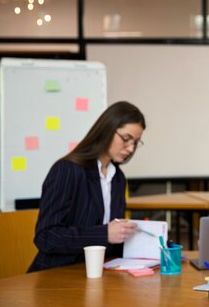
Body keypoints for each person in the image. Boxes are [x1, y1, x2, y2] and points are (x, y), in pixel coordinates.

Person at [29, 101, 146, 272]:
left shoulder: (118, 178)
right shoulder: (67, 170)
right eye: (126, 139)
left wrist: (148, 246)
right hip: (58, 274)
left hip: (98, 273)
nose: (130, 148)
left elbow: (113, 240)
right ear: (107, 130)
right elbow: (46, 237)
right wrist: (105, 234)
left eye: (136, 142)